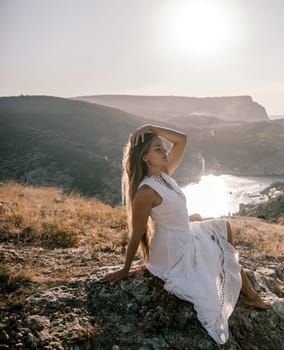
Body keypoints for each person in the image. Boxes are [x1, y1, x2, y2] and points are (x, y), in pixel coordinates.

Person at [101, 124, 268, 344]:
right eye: (157, 149)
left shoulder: (164, 174)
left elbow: (182, 140)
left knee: (223, 227)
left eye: (162, 148)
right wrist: (125, 269)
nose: (164, 152)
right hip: (173, 251)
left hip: (185, 233)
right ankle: (250, 295)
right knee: (217, 252)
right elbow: (137, 232)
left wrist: (152, 128)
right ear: (145, 158)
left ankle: (247, 292)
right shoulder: (146, 191)